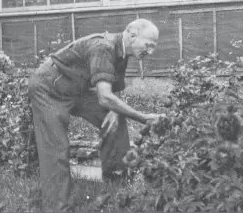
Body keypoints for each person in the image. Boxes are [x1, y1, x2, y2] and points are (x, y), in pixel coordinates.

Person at [28, 18, 163, 211]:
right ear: (132, 35)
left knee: (116, 118)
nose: (151, 51)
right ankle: (56, 207)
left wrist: (114, 115)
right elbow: (105, 98)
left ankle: (115, 184)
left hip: (76, 89)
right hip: (49, 88)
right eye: (149, 45)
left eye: (154, 47)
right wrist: (142, 117)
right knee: (56, 148)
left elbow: (114, 94)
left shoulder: (122, 54)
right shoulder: (104, 47)